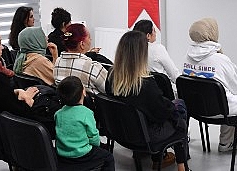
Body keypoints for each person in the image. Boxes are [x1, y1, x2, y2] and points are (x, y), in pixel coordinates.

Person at [106, 31, 189, 171]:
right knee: (180, 113)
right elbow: (161, 113)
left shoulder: (112, 77)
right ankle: (181, 166)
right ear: (141, 54)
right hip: (146, 135)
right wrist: (172, 107)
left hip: (121, 132)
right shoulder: (145, 84)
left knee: (174, 110)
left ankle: (161, 159)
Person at [183, 18, 237, 158]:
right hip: (220, 111)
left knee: (226, 99)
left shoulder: (188, 56)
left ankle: (227, 143)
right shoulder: (221, 59)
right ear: (211, 33)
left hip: (195, 109)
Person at [55, 75, 115, 171]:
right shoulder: (87, 113)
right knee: (108, 157)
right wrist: (97, 145)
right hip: (82, 154)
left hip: (62, 154)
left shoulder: (58, 114)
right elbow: (93, 136)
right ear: (83, 92)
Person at [53, 23, 108, 94]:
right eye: (89, 37)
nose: (90, 40)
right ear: (82, 44)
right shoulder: (92, 67)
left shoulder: (57, 63)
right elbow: (111, 90)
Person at [133, 19, 180, 84]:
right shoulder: (158, 49)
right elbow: (174, 75)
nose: (155, 33)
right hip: (158, 91)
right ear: (148, 36)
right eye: (154, 30)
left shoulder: (130, 51)